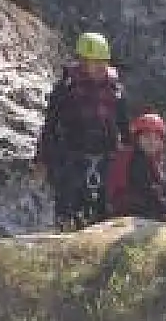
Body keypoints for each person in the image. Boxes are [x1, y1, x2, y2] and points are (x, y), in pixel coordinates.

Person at [34, 32, 131, 230]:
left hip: (106, 158)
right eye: (93, 62)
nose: (99, 67)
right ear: (82, 61)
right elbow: (50, 125)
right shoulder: (66, 88)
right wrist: (42, 159)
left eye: (102, 62)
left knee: (104, 211)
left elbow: (123, 125)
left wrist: (130, 157)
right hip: (71, 157)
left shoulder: (115, 89)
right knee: (68, 210)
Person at [107, 108, 166, 221]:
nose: (152, 142)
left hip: (139, 208)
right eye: (147, 137)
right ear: (137, 139)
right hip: (130, 211)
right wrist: (165, 212)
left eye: (156, 138)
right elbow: (147, 190)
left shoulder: (152, 160)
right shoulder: (137, 160)